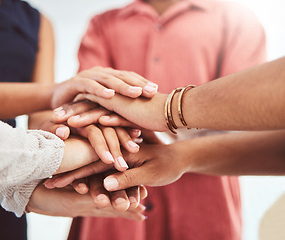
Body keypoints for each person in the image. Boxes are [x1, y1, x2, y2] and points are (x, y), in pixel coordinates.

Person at [0, 0, 156, 239]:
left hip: (9, 179)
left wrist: (81, 132)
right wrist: (53, 96)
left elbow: (41, 120)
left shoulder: (39, 22)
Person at [51, 0, 266, 239]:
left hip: (204, 208)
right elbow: (88, 104)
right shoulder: (104, 24)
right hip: (110, 207)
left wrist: (159, 115)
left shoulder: (236, 19)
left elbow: (247, 115)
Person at [0, 89, 147, 221]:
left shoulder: (39, 25)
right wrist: (80, 150)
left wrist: (62, 131)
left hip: (6, 189)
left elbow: (43, 116)